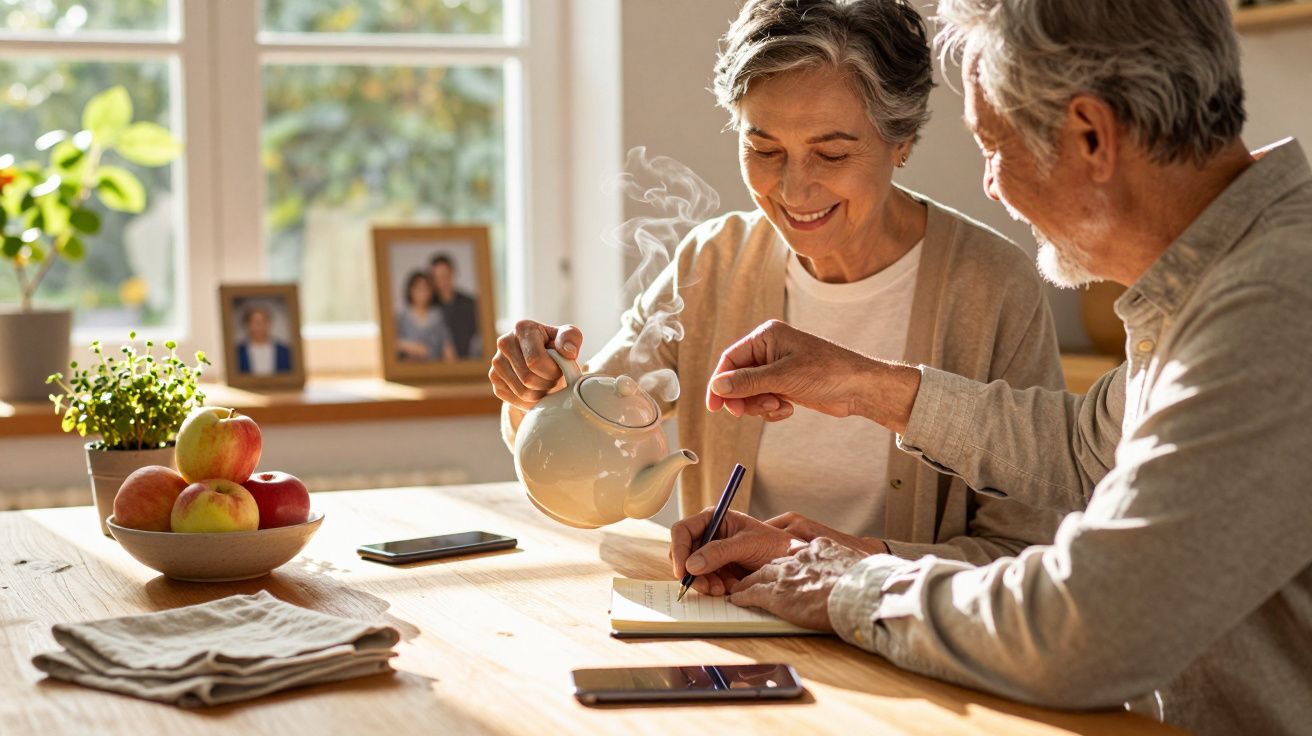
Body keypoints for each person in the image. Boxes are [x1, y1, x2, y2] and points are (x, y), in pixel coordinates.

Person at [672, 1, 1312, 733]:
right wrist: (867, 386)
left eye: (992, 145)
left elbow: (1092, 628)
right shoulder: (1224, 278)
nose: (990, 187)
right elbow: (1083, 449)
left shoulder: (1274, 303)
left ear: (1092, 137)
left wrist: (850, 585)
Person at [491, 0, 1072, 573]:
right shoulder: (712, 261)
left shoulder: (992, 286)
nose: (794, 190)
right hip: (727, 640)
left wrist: (830, 562)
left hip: (901, 645)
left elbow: (1025, 555)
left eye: (832, 152)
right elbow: (586, 429)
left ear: (902, 142)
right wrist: (536, 394)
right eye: (764, 149)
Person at [396, 270, 456, 362]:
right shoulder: (402, 316)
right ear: (410, 290)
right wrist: (414, 348)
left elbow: (446, 343)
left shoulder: (437, 316)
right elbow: (394, 343)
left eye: (425, 289)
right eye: (418, 289)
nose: (422, 293)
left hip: (434, 367)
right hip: (409, 367)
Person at [429, 253, 481, 358]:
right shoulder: (430, 306)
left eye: (445, 276)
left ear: (453, 273)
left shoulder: (470, 304)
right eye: (437, 278)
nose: (442, 282)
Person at [235, 304, 292, 375]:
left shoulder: (284, 351)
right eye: (256, 322)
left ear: (269, 323)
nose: (260, 326)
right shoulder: (237, 352)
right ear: (247, 325)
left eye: (263, 321)